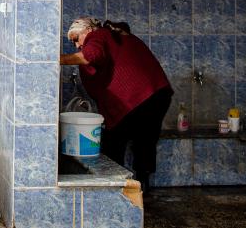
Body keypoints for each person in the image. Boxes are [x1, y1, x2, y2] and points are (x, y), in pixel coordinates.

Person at [59, 17, 172, 191]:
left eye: (76, 39)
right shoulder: (111, 36)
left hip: (138, 96)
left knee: (114, 143)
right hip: (157, 93)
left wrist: (58, 59)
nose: (76, 45)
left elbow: (92, 55)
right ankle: (142, 187)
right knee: (144, 141)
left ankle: (114, 189)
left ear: (88, 30)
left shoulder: (98, 36)